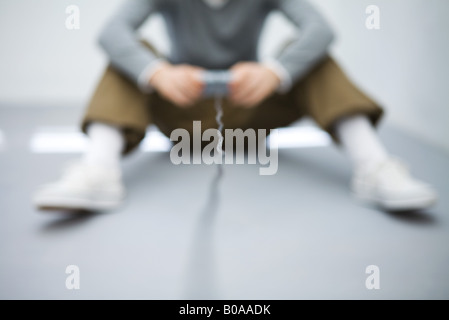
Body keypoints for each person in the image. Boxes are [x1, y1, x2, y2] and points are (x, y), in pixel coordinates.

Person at [33, 0, 437, 212]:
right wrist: (159, 74)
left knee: (308, 57)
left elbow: (320, 29)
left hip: (252, 113)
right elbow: (112, 32)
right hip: (183, 116)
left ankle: (373, 168)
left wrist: (275, 72)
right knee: (133, 57)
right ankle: (98, 173)